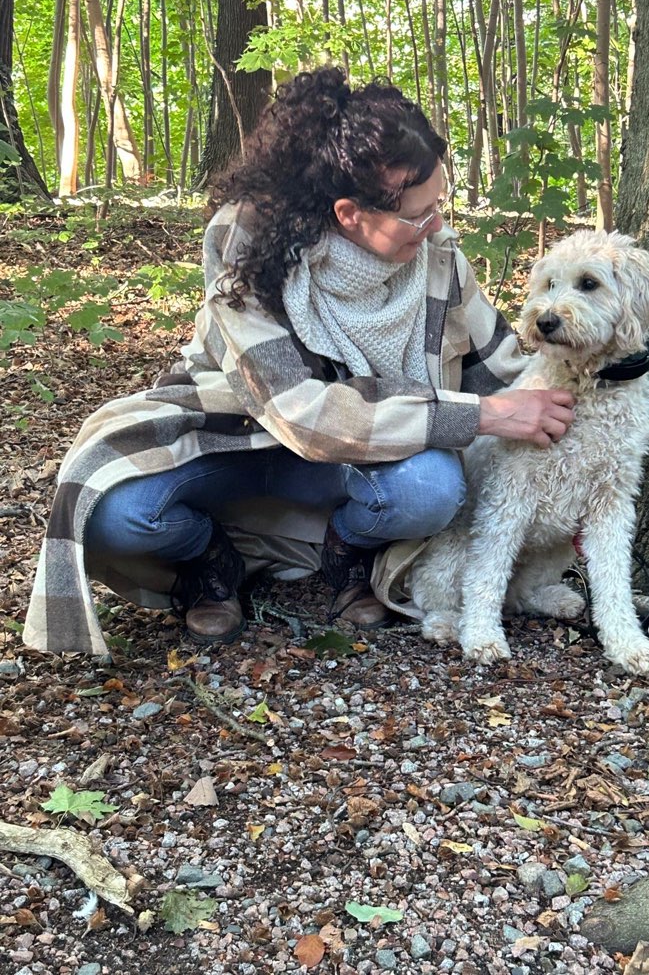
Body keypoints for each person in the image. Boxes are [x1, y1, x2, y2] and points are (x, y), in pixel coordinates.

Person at [23, 67, 574, 657]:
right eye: (419, 215)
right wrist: (483, 415)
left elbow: (510, 374)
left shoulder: (438, 259)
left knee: (431, 487)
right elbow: (299, 411)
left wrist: (577, 440)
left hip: (355, 464)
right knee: (111, 513)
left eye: (440, 205)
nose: (437, 226)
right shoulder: (248, 246)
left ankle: (349, 549)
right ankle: (208, 558)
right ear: (349, 215)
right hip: (231, 436)